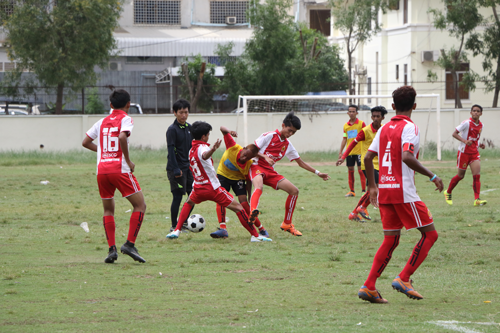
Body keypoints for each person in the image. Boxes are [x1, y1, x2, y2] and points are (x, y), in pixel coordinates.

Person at [358, 86, 443, 303]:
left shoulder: (384, 128)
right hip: (403, 192)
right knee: (430, 235)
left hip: (385, 191)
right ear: (414, 106)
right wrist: (432, 176)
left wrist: (372, 186)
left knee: (391, 239)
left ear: (393, 106)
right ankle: (404, 278)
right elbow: (406, 156)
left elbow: (368, 158)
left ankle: (369, 286)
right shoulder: (410, 127)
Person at [166, 121, 272, 242]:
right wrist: (213, 149)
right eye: (208, 134)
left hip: (198, 188)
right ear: (203, 136)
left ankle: (176, 230)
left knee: (188, 203)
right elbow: (205, 155)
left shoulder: (191, 150)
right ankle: (256, 235)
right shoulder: (203, 147)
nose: (208, 136)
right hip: (213, 188)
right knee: (239, 208)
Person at [82, 89, 147, 264]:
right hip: (119, 169)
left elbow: (85, 142)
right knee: (140, 205)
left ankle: (112, 250)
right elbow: (122, 137)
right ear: (128, 104)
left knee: (108, 209)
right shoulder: (126, 119)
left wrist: (102, 152)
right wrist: (128, 160)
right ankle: (129, 244)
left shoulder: (101, 122)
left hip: (102, 170)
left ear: (110, 105)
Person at [248, 112, 330, 237]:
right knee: (259, 186)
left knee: (294, 191)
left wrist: (318, 173)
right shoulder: (269, 136)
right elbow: (250, 149)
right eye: (289, 130)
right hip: (256, 166)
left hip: (270, 171)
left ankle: (287, 224)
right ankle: (253, 211)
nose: (290, 134)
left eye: (293, 132)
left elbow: (300, 162)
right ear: (283, 125)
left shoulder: (287, 145)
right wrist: (264, 156)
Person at [211, 126, 269, 239]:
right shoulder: (233, 146)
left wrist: (248, 196)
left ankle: (262, 229)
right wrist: (230, 131)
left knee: (244, 204)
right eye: (245, 155)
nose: (244, 158)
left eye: (248, 158)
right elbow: (221, 128)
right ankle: (223, 229)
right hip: (223, 175)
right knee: (220, 199)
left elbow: (248, 181)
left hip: (238, 179)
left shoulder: (248, 164)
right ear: (243, 148)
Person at [336, 106, 387, 222]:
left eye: (378, 116)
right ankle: (363, 207)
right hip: (368, 164)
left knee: (370, 190)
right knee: (377, 188)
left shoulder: (385, 129)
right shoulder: (365, 131)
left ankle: (354, 213)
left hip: (380, 164)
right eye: (373, 116)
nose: (375, 118)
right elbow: (353, 143)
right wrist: (343, 157)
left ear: (383, 118)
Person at [444, 104, 487, 207]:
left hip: (474, 153)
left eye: (478, 111)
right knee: (460, 176)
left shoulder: (481, 125)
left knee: (476, 176)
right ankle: (448, 192)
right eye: (474, 111)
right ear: (471, 112)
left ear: (481, 113)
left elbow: (476, 137)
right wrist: (464, 140)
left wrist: (480, 144)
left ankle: (477, 199)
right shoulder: (466, 123)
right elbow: (454, 134)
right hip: (463, 153)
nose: (475, 112)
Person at [166, 99, 193, 232]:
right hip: (176, 169)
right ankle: (173, 226)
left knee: (193, 196)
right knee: (177, 197)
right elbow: (171, 150)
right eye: (181, 112)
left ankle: (183, 223)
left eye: (186, 112)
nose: (183, 115)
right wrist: (176, 168)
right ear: (175, 113)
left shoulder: (189, 128)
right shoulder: (172, 130)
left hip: (189, 168)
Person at [339, 105, 367, 197]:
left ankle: (363, 191)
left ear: (357, 113)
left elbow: (366, 136)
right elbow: (344, 138)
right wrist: (341, 152)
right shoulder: (345, 126)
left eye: (353, 111)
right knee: (350, 170)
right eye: (350, 111)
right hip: (350, 152)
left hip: (360, 151)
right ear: (347, 113)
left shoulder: (361, 124)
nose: (351, 113)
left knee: (361, 170)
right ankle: (352, 191)